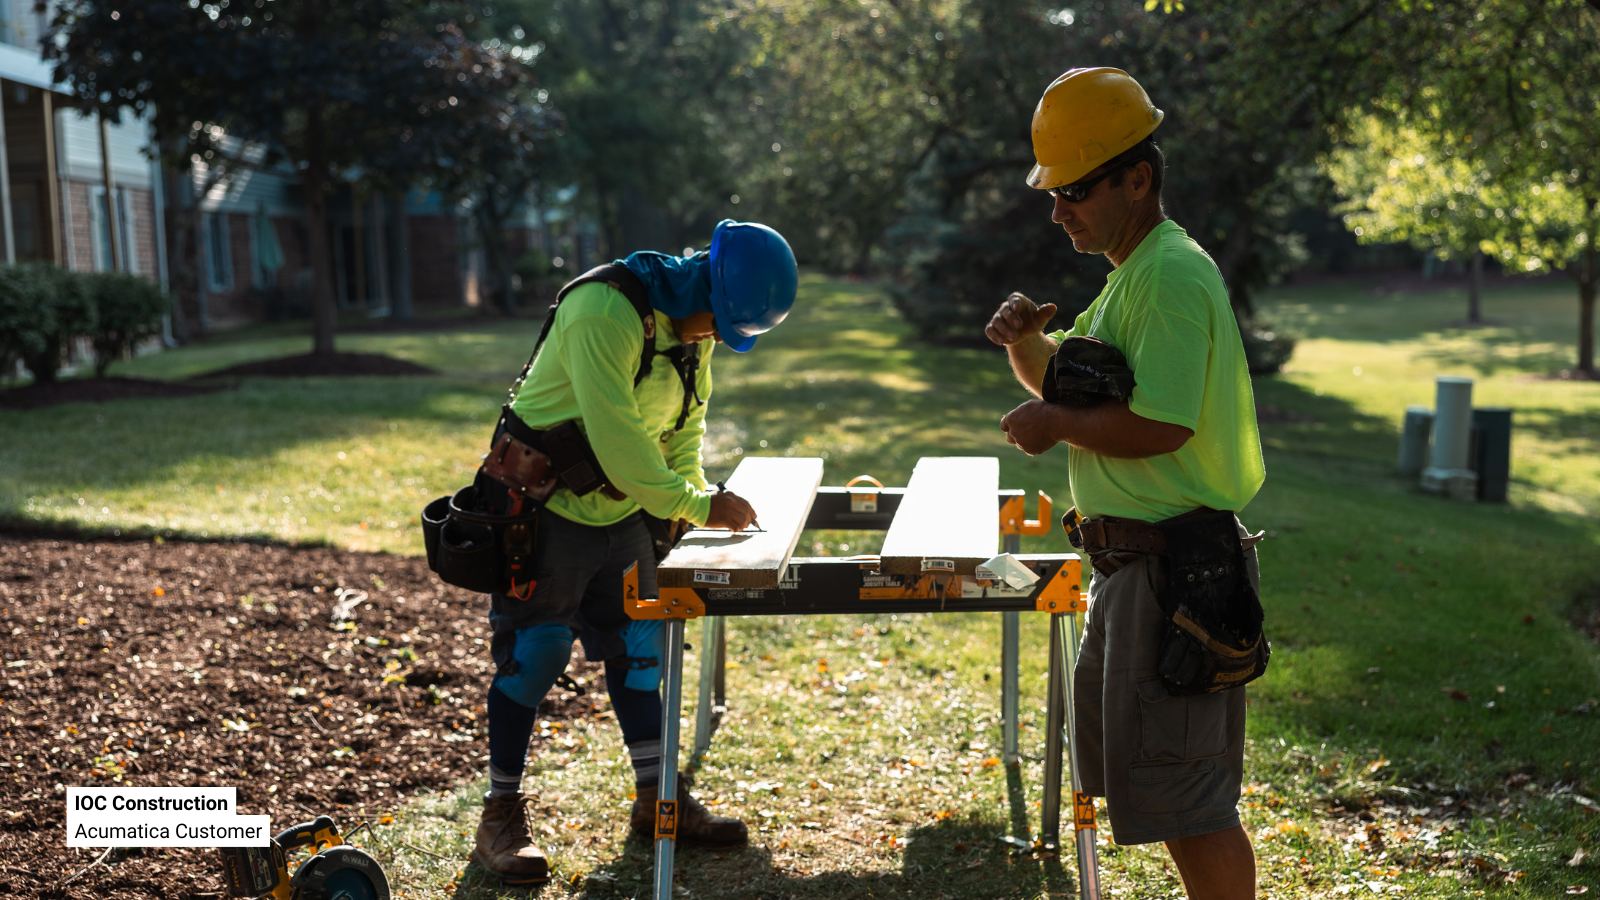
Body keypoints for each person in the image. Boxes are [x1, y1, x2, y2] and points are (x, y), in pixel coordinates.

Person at [985, 68, 1266, 900]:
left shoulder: (1172, 277)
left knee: (1193, 805)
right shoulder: (1129, 277)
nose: (1058, 208)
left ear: (1136, 178)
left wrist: (1059, 427)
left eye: (1073, 189)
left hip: (1177, 574)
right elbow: (1075, 391)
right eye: (1054, 192)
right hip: (1135, 573)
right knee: (1167, 796)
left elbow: (1163, 426)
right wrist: (1025, 344)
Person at [471, 219, 798, 885]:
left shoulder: (689, 330)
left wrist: (695, 496)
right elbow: (620, 443)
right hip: (547, 508)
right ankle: (499, 816)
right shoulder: (604, 310)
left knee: (643, 653)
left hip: (620, 514)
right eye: (719, 322)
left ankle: (658, 801)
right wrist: (700, 506)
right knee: (536, 655)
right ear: (704, 287)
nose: (714, 337)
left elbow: (684, 430)